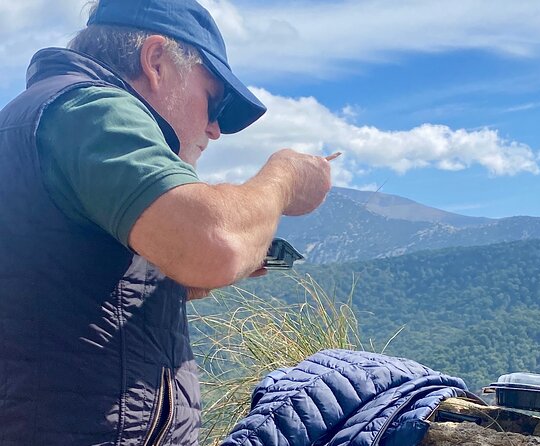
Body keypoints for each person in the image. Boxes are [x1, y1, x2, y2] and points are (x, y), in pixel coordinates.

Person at [0, 0, 332, 444]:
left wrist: (243, 257)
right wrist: (285, 178)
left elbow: (78, 290)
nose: (214, 129)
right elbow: (214, 245)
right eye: (214, 101)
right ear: (155, 61)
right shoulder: (90, 110)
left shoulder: (42, 120)